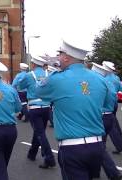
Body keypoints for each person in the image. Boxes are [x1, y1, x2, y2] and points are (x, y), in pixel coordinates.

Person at [35, 41, 107, 180]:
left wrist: (54, 73)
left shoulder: (58, 79)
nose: (58, 58)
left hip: (73, 148)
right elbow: (107, 102)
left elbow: (39, 91)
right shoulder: (100, 79)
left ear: (66, 57)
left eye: (60, 54)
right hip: (97, 145)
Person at [18, 56, 56, 169]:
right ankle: (32, 153)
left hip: (35, 107)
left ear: (33, 64)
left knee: (40, 133)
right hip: (46, 107)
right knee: (39, 131)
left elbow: (20, 87)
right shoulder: (48, 75)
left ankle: (49, 158)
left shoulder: (29, 75)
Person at [91, 62, 122, 180]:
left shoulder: (96, 84)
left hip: (101, 117)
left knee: (98, 146)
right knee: (99, 145)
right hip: (109, 116)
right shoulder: (108, 82)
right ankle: (96, 172)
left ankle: (113, 173)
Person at [103, 61, 122, 154]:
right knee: (111, 122)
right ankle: (119, 141)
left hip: (105, 103)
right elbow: (121, 87)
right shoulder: (116, 78)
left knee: (105, 123)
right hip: (114, 102)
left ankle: (102, 146)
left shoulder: (104, 78)